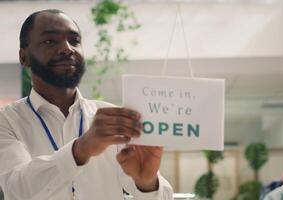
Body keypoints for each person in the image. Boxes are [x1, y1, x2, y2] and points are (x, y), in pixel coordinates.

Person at [0, 9, 173, 200]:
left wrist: (147, 184)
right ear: (24, 57)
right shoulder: (6, 121)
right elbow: (16, 189)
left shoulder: (112, 118)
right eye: (49, 41)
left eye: (74, 41)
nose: (67, 48)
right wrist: (81, 149)